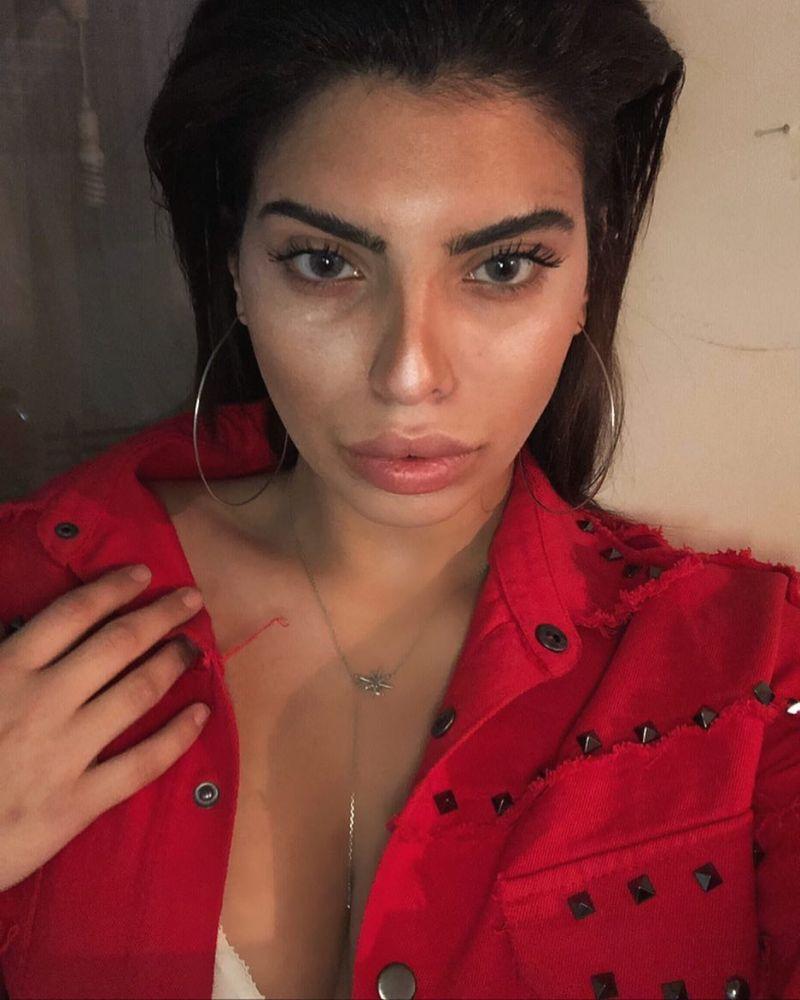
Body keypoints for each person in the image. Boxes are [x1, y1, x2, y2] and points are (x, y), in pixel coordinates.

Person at [0, 1, 798, 998]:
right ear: (235, 267)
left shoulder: (753, 670)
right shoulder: (25, 596)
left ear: (588, 275)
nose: (409, 375)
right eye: (325, 262)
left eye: (502, 266)